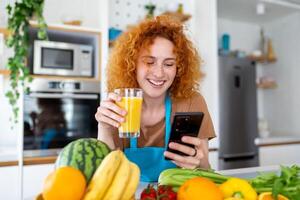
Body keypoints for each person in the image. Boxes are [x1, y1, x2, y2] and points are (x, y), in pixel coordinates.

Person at [95, 15, 216, 182]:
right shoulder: (119, 104)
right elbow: (106, 176)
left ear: (178, 68)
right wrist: (104, 129)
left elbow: (205, 171)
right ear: (132, 65)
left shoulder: (190, 102)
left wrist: (198, 162)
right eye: (149, 62)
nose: (159, 73)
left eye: (168, 64)